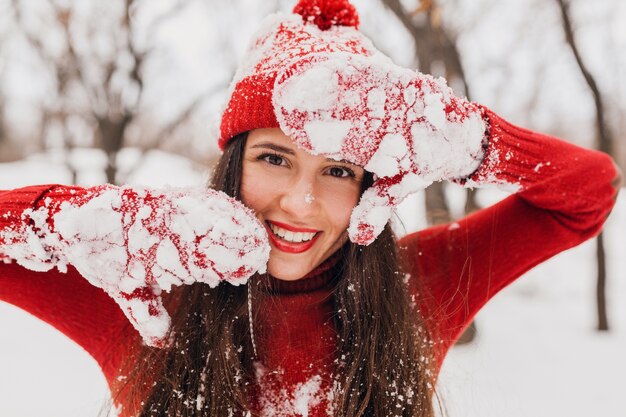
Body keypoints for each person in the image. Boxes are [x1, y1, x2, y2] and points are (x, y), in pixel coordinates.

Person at [0, 0, 622, 416]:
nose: (301, 201)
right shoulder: (144, 289)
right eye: (274, 159)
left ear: (371, 185)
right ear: (232, 164)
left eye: (337, 169)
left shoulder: (419, 283)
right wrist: (70, 221)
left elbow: (587, 193)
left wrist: (475, 143)